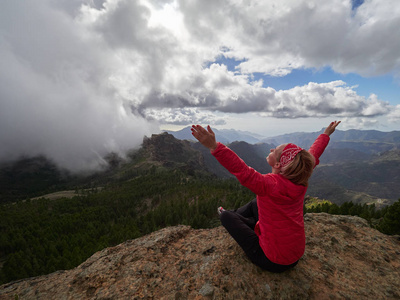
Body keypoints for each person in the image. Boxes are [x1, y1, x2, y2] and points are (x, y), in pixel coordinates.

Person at [191, 121, 341, 273]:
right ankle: (240, 217)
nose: (271, 149)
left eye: (274, 151)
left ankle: (231, 215)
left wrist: (214, 147)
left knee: (226, 217)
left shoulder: (269, 186)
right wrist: (325, 135)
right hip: (295, 256)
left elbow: (242, 170)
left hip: (273, 260)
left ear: (277, 165)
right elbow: (313, 154)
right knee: (257, 202)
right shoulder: (300, 176)